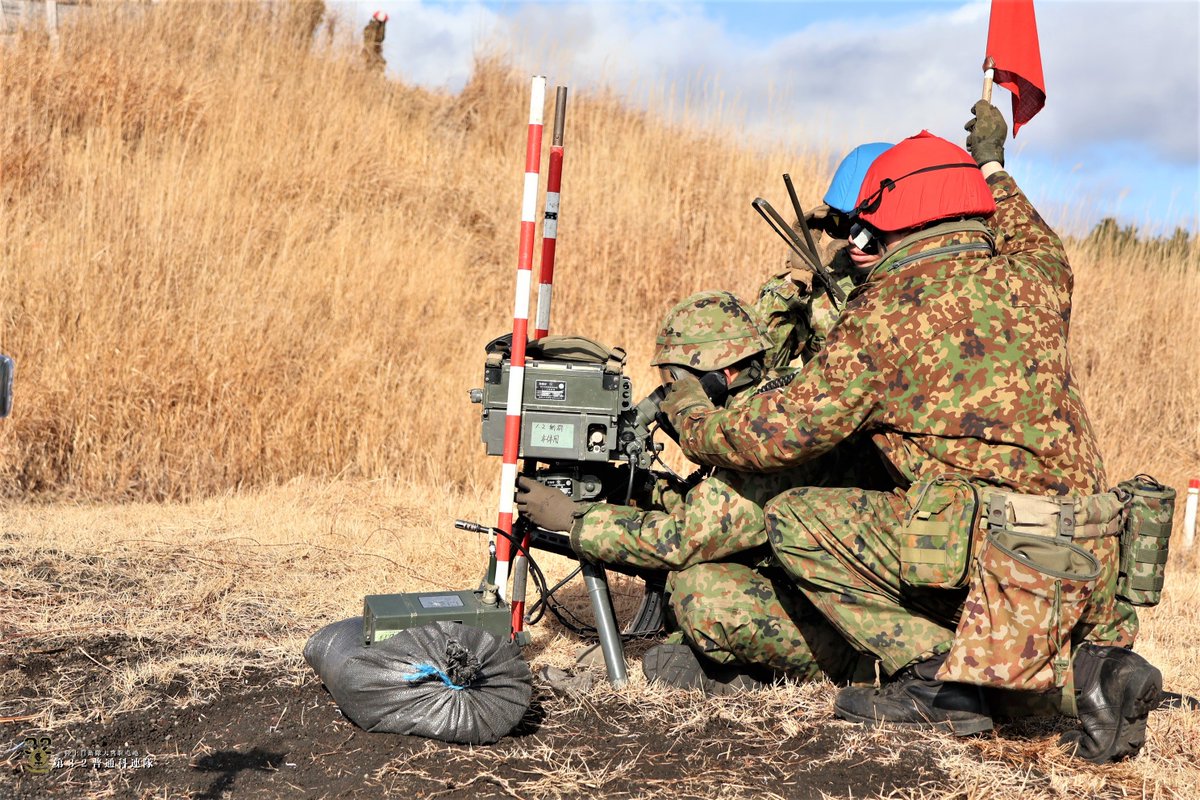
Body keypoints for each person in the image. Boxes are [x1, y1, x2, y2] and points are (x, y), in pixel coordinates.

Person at [657, 103, 1158, 763]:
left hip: (1000, 550)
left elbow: (772, 438)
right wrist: (992, 165)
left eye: (865, 225)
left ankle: (929, 679)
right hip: (1092, 550)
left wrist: (693, 412)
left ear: (888, 224)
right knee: (973, 574)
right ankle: (1095, 674)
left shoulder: (885, 320)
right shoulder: (1037, 275)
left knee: (796, 518)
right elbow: (1021, 224)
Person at [515, 291, 886, 694]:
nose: (668, 398)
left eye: (676, 383)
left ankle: (850, 668)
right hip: (815, 592)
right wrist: (637, 486)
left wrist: (576, 521)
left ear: (720, 377)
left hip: (854, 626)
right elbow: (718, 509)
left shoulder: (771, 430)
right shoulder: (758, 409)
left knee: (701, 592)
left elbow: (684, 539)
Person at [756, 142, 893, 369]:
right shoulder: (820, 287)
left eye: (867, 228)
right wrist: (794, 281)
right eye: (842, 225)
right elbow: (761, 366)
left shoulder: (926, 279)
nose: (853, 240)